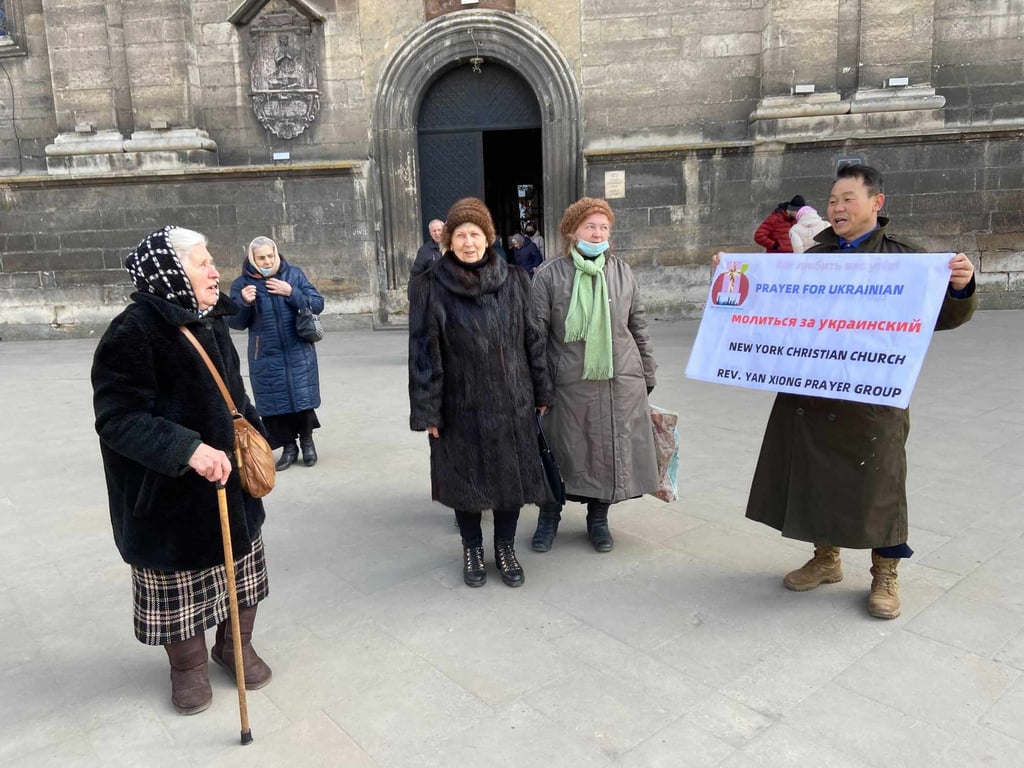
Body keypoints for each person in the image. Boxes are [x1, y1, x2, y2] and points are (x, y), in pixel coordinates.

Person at [742, 164, 977, 619]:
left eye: (848, 199)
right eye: (833, 200)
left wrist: (961, 289)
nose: (837, 208)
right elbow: (776, 309)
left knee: (880, 486)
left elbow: (944, 318)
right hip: (813, 393)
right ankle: (826, 558)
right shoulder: (814, 257)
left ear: (876, 203)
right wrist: (734, 279)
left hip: (873, 397)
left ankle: (885, 573)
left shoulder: (906, 260)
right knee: (814, 477)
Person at [91, 226, 272, 716]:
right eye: (202, 263)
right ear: (172, 271)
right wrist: (187, 449)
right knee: (179, 590)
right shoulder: (131, 332)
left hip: (230, 483)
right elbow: (117, 419)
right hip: (165, 495)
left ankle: (235, 647)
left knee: (242, 572)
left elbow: (235, 394)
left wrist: (255, 435)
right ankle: (187, 668)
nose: (215, 271)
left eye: (211, 261)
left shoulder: (211, 319)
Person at [408, 197, 552, 588]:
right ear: (448, 240)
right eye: (460, 235)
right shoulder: (429, 286)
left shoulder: (516, 280)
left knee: (511, 480)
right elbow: (422, 353)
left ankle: (505, 548)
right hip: (459, 405)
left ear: (488, 237)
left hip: (512, 401)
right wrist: (428, 412)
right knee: (464, 481)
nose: (468, 242)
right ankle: (471, 548)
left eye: (475, 234)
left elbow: (533, 340)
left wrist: (542, 391)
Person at [530, 197, 659, 554]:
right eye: (589, 226)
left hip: (620, 381)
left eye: (603, 227)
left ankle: (598, 519)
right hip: (568, 385)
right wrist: (539, 387)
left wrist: (647, 372)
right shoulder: (549, 275)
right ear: (572, 232)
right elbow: (535, 335)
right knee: (560, 452)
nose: (598, 233)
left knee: (609, 454)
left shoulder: (622, 272)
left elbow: (638, 326)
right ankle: (548, 516)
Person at [229, 237, 324, 470]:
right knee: (275, 404)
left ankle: (308, 442)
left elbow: (317, 303)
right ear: (252, 258)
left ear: (276, 254)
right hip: (265, 353)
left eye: (270, 256)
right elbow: (235, 323)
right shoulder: (242, 284)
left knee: (302, 399)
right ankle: (289, 448)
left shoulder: (294, 275)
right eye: (261, 257)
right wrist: (244, 302)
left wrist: (292, 292)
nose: (267, 261)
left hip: (298, 350)